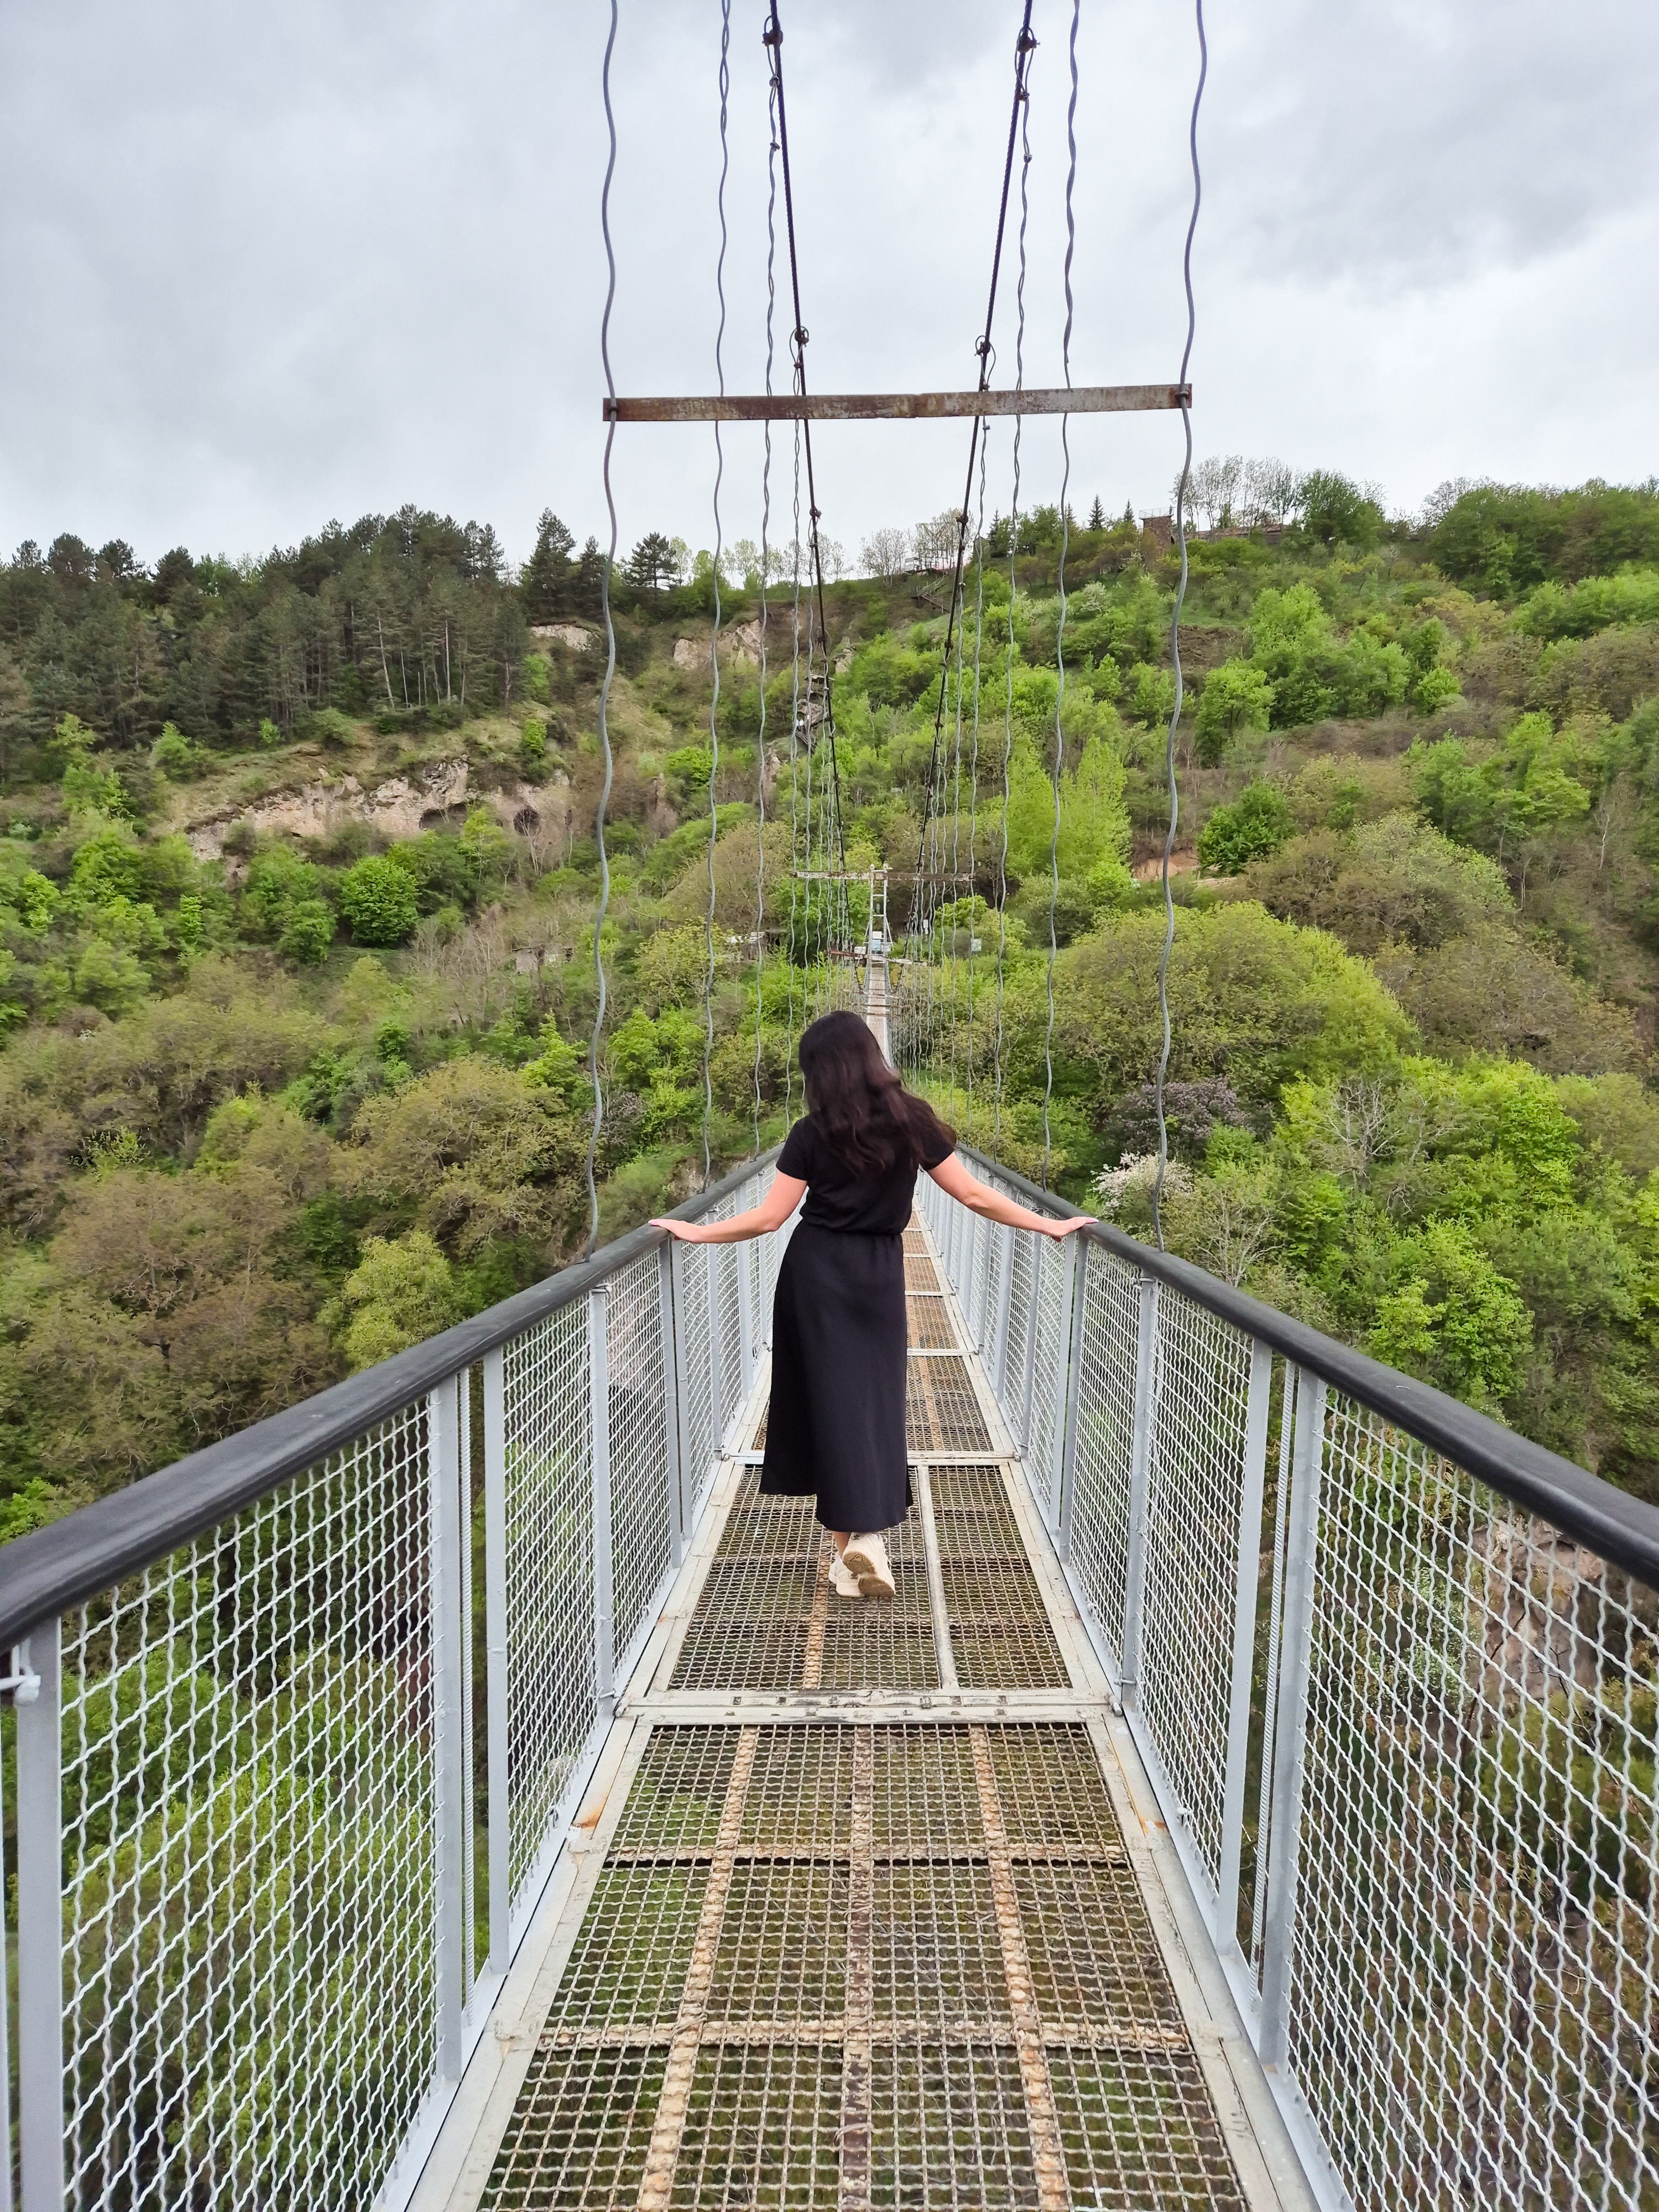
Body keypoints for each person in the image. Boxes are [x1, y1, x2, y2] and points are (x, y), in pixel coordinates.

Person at [654, 1010, 1092, 1600]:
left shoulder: (811, 1133)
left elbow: (770, 1218)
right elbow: (973, 1194)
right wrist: (1049, 1225)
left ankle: (856, 1547)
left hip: (815, 1274)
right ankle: (861, 1545)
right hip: (880, 1274)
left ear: (821, 1072)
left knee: (825, 1404)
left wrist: (697, 1232)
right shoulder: (911, 1121)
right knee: (872, 1402)